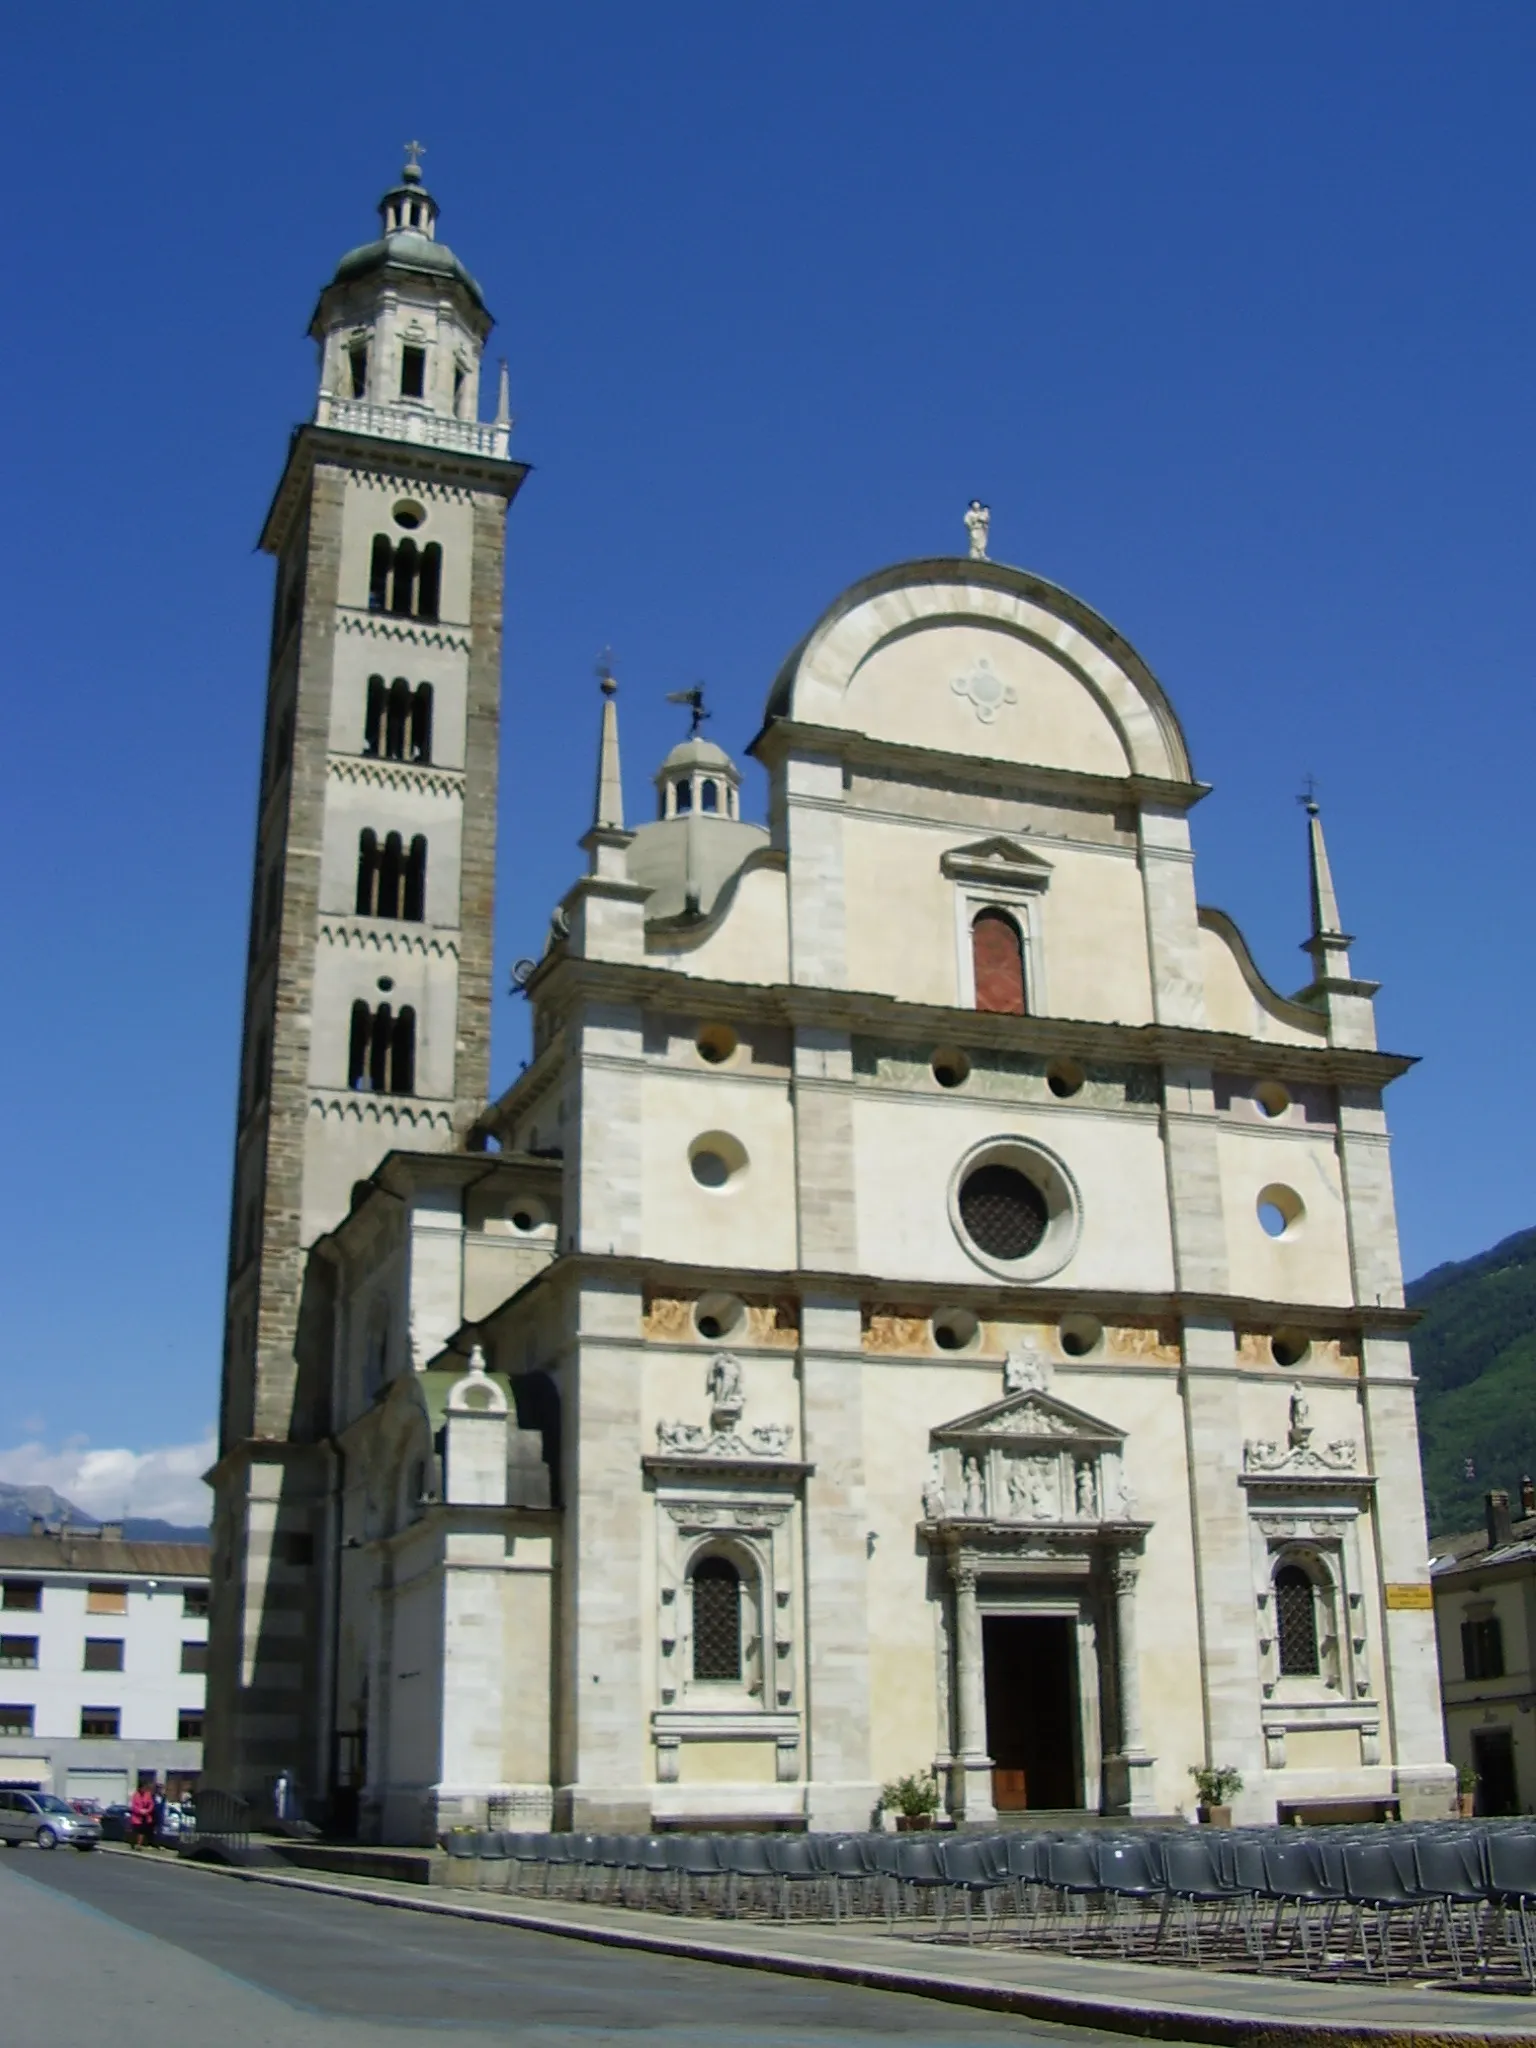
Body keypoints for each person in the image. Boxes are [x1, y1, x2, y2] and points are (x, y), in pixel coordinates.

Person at [128, 1779, 155, 1851]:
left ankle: (139, 1845)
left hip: (145, 1816)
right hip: (137, 1816)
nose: (144, 1789)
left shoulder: (148, 1794)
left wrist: (147, 1811)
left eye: (145, 1788)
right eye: (143, 1788)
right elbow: (133, 1806)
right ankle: (133, 1843)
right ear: (139, 1788)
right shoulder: (135, 1795)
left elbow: (151, 1804)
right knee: (135, 1831)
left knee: (142, 1831)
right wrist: (139, 1811)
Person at [151, 1783, 167, 1848]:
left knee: (159, 1831)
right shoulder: (152, 1796)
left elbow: (164, 1806)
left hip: (160, 1816)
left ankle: (158, 1845)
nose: (160, 1790)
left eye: (161, 1789)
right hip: (153, 1815)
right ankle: (151, 1844)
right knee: (151, 1830)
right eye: (159, 1788)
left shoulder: (164, 1797)